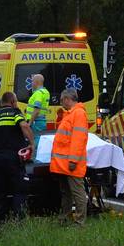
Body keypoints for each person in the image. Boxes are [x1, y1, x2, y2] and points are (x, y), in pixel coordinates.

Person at [0, 92, 34, 221]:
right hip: (14, 157)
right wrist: (32, 145)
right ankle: (19, 219)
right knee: (19, 189)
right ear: (12, 101)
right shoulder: (15, 113)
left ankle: (0, 220)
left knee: (0, 191)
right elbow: (24, 125)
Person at [51, 88, 89, 226]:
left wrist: (73, 160)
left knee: (76, 192)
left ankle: (79, 222)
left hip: (70, 162)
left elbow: (78, 139)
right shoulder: (70, 114)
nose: (60, 103)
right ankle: (65, 218)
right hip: (64, 163)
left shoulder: (78, 114)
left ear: (67, 99)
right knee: (66, 192)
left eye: (61, 100)